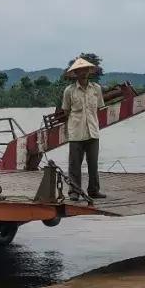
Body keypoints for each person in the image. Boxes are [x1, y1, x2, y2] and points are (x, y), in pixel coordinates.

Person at [60, 57, 107, 200]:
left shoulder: (96, 89)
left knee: (93, 164)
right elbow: (66, 111)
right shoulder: (69, 91)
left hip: (93, 131)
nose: (83, 73)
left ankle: (94, 190)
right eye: (80, 70)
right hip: (76, 132)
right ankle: (74, 192)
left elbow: (98, 108)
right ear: (75, 73)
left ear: (89, 72)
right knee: (74, 164)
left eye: (85, 70)